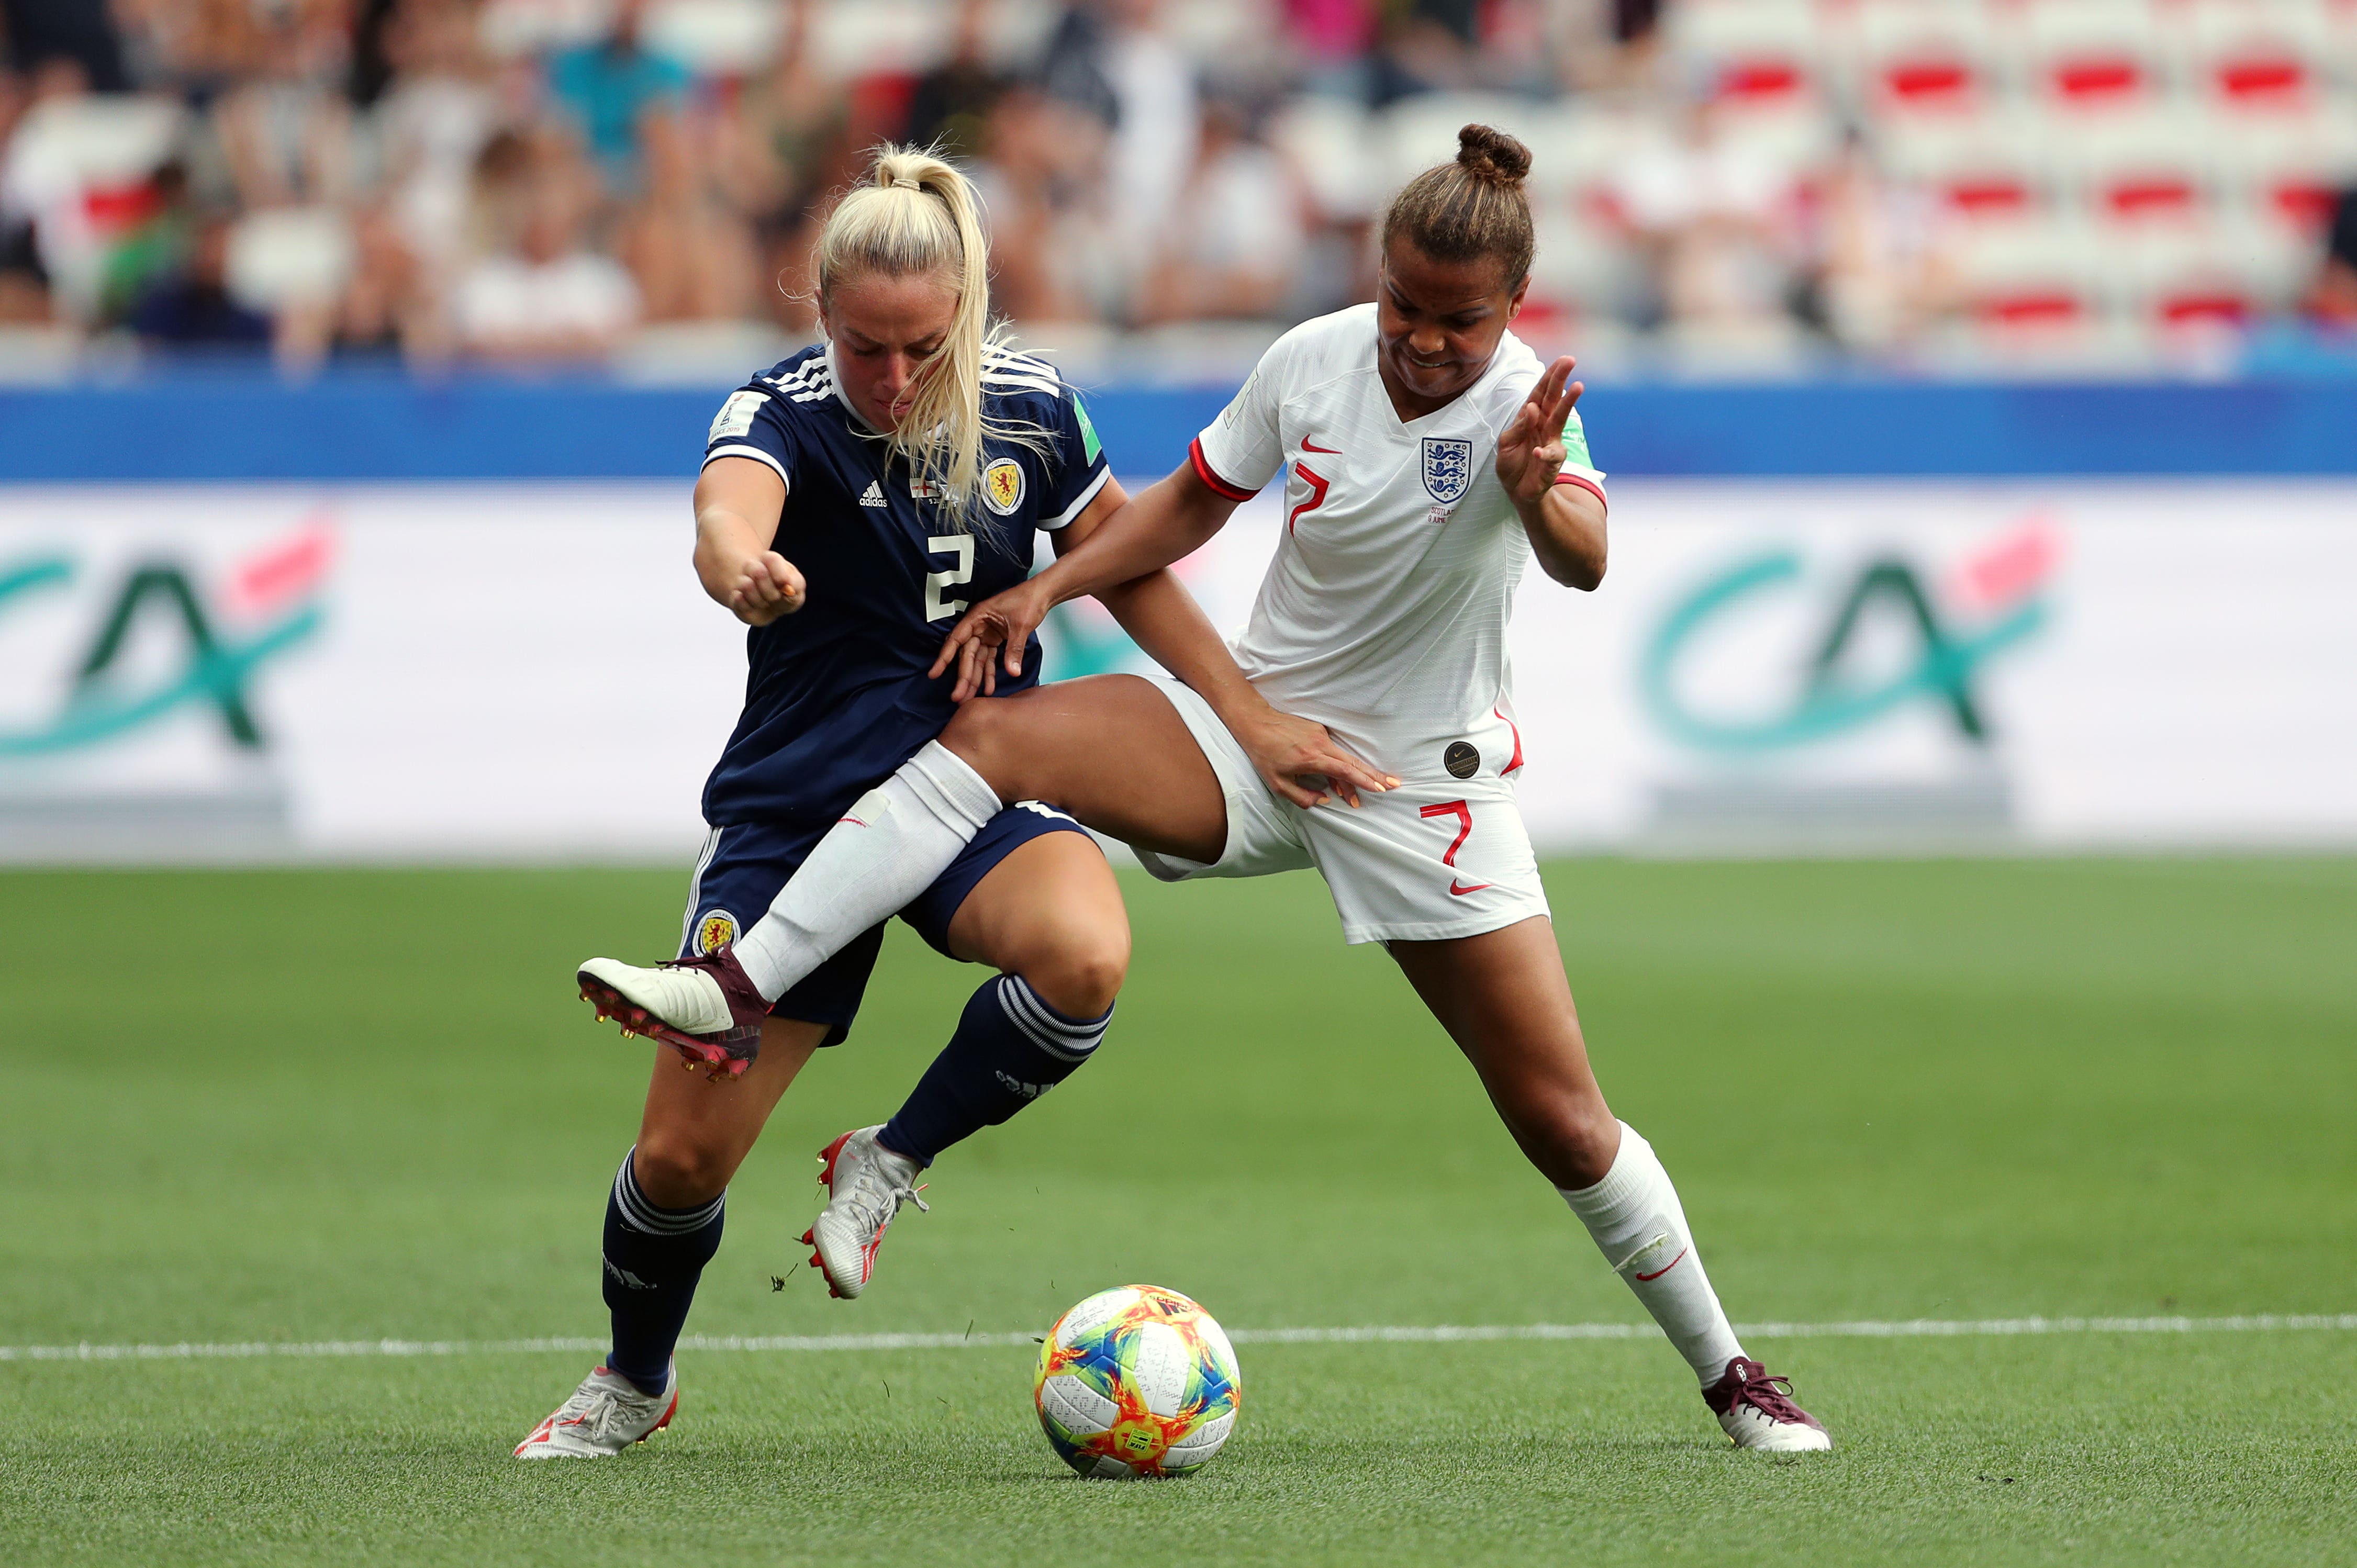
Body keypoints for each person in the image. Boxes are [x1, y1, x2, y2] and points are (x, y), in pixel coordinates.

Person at [585, 126, 1835, 1454]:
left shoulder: (1527, 405)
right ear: (1376, 274)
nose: (1419, 341)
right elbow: (1182, 505)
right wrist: (1047, 590)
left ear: (1510, 310)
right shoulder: (1311, 358)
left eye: (1455, 323)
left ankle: (1730, 1374)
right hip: (1245, 736)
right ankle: (761, 1021)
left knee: (1556, 1114)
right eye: (1403, 306)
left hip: (1421, 787)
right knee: (1001, 739)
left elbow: (1583, 556)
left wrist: (1536, 495)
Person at [517, 144, 1356, 1460]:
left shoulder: (1031, 406)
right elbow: (722, 514)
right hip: (800, 820)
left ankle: (888, 1161)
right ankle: (636, 1375)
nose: (895, 379)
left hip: (976, 785)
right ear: (820, 319)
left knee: (1085, 953)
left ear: (965, 316)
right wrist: (738, 564)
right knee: (681, 1165)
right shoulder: (779, 410)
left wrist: (1244, 715)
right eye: (865, 348)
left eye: (922, 347)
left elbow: (1130, 564)